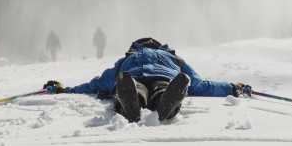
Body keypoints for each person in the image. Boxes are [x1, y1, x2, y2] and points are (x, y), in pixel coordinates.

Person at [43, 37, 249, 123]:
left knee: (130, 86)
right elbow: (200, 84)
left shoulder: (127, 59)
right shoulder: (173, 58)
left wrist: (64, 90)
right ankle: (165, 101)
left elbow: (97, 83)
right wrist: (232, 87)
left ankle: (131, 100)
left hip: (133, 76)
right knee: (162, 89)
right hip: (165, 77)